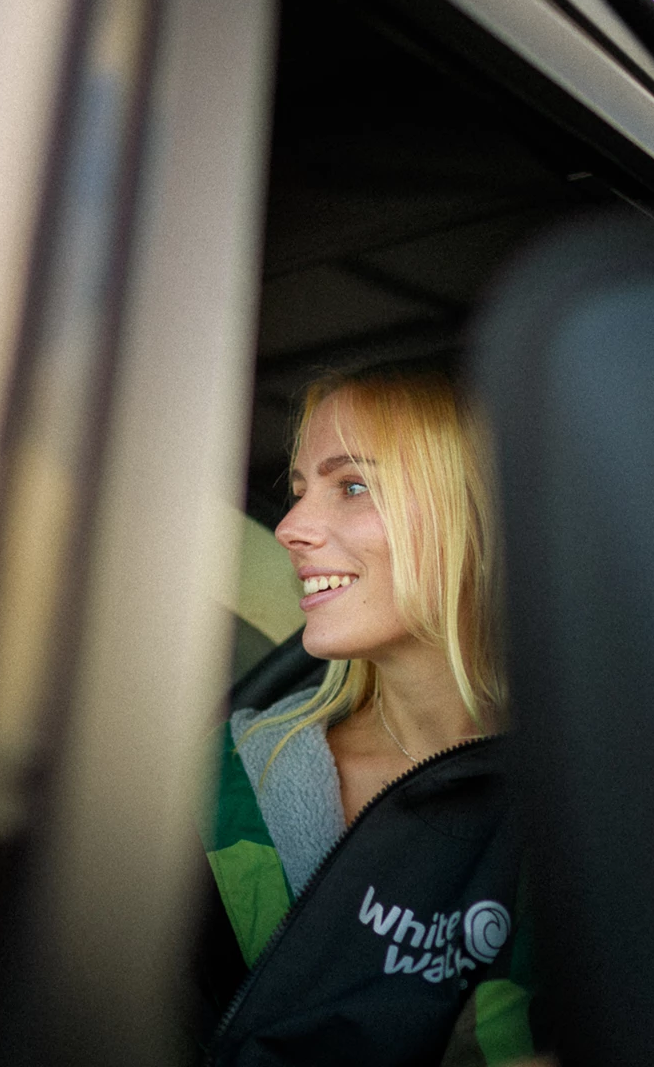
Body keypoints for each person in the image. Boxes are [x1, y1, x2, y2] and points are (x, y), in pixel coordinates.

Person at [198, 367, 541, 1066]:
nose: (291, 527)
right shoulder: (233, 782)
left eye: (352, 486)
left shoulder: (606, 797)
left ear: (474, 512)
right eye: (296, 493)